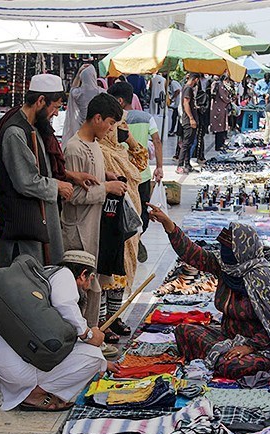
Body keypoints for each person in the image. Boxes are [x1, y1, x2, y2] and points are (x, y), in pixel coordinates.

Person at [147, 205, 270, 380]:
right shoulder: (226, 267)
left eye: (229, 251)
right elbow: (193, 254)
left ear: (242, 251)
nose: (224, 255)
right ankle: (219, 357)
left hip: (261, 345)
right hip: (227, 337)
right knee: (183, 331)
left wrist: (249, 346)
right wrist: (168, 224)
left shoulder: (263, 280)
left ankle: (220, 359)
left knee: (234, 366)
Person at [0, 250, 109, 412]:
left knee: (92, 355)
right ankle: (35, 395)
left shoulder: (47, 274)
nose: (88, 287)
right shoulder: (65, 276)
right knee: (94, 356)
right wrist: (89, 335)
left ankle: (29, 391)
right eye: (91, 280)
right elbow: (64, 304)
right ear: (83, 274)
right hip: (15, 366)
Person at [0, 74, 75, 270]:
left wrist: (71, 176)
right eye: (54, 108)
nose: (55, 114)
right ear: (40, 101)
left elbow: (40, 166)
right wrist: (57, 185)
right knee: (25, 284)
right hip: (24, 225)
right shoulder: (15, 132)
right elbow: (26, 181)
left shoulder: (32, 127)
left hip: (38, 218)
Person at [62, 93, 128, 328]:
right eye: (110, 123)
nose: (111, 130)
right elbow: (74, 195)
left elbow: (90, 181)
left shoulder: (94, 145)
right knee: (81, 291)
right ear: (97, 118)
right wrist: (106, 186)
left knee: (93, 288)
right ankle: (84, 339)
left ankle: (92, 336)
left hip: (94, 228)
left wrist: (105, 177)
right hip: (79, 231)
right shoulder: (74, 148)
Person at [98, 117, 147, 341]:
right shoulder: (99, 150)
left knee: (123, 269)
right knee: (106, 269)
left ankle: (114, 316)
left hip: (129, 216)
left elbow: (142, 163)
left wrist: (129, 139)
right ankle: (101, 321)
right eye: (114, 126)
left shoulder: (120, 150)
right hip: (108, 217)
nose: (114, 130)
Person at [108, 81, 164, 263]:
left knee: (126, 213)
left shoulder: (114, 120)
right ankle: (136, 238)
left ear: (120, 100)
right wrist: (160, 167)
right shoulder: (147, 117)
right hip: (143, 174)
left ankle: (132, 241)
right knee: (142, 214)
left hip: (121, 175)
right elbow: (157, 140)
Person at [61, 64, 105, 149]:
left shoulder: (78, 93)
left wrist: (78, 75)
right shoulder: (101, 92)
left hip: (81, 125)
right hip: (98, 124)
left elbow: (72, 89)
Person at [176, 73, 199, 174]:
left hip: (187, 119)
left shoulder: (185, 87)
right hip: (188, 120)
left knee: (189, 143)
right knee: (186, 144)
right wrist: (191, 118)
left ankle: (187, 164)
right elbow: (186, 103)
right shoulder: (188, 89)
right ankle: (180, 165)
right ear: (196, 80)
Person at [211, 74, 233, 152]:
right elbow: (223, 96)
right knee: (219, 127)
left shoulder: (223, 85)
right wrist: (230, 100)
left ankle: (221, 143)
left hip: (223, 108)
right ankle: (218, 145)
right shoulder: (219, 85)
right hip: (218, 109)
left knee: (223, 127)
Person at [194, 75, 211, 164]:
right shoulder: (189, 91)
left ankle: (200, 155)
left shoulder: (204, 94)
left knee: (200, 136)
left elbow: (206, 107)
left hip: (201, 118)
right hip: (193, 118)